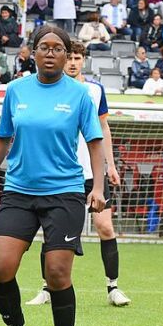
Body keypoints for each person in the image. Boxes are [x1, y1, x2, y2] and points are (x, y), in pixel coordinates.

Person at [0, 26, 104, 326]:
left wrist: (98, 187)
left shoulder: (80, 95)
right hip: (19, 191)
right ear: (32, 53)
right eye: (43, 47)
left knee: (57, 273)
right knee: (1, 266)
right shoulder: (16, 90)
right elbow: (3, 137)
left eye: (57, 48)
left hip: (65, 192)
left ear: (67, 55)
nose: (50, 53)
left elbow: (95, 141)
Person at [26, 42, 130, 308]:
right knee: (52, 231)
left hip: (92, 172)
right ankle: (47, 288)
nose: (73, 62)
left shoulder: (95, 90)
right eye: (69, 57)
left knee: (105, 227)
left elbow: (103, 129)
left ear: (84, 60)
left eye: (77, 57)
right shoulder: (50, 88)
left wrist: (111, 165)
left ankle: (113, 287)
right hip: (61, 174)